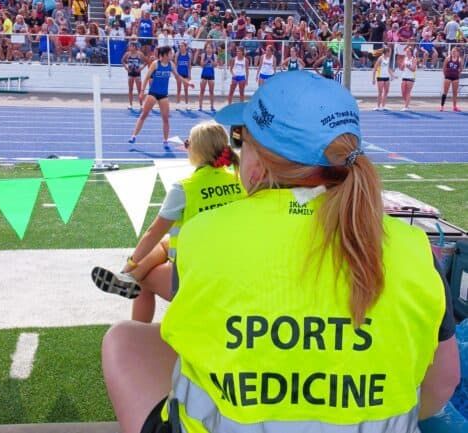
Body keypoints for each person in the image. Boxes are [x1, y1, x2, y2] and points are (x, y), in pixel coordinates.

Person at [102, 71, 460, 433]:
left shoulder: (203, 236)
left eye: (242, 141)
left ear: (259, 163)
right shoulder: (414, 249)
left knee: (125, 339)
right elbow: (442, 384)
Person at [92, 121, 245, 322]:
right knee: (165, 243)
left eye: (188, 142)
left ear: (196, 149)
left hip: (197, 278)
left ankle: (136, 322)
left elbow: (152, 233)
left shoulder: (185, 188)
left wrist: (131, 263)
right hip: (235, 270)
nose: (186, 145)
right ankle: (128, 278)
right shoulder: (240, 180)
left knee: (144, 281)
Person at [128, 46, 194, 148]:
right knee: (144, 115)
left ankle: (165, 140)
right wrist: (142, 91)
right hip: (153, 93)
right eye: (170, 53)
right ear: (164, 55)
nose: (172, 55)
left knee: (166, 119)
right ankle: (134, 136)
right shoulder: (155, 64)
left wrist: (188, 83)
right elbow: (146, 78)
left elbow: (178, 77)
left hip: (163, 95)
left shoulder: (171, 65)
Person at [122, 41, 146, 111]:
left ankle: (141, 105)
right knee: (130, 89)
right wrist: (126, 68)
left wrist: (141, 68)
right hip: (130, 73)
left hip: (137, 74)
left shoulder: (140, 54)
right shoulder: (127, 54)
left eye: (131, 46)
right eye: (129, 46)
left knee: (139, 90)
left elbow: (146, 62)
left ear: (134, 47)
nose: (129, 47)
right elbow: (122, 61)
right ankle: (130, 104)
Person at [440, 47, 463, 112]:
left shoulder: (459, 59)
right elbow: (444, 68)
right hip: (448, 77)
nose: (453, 53)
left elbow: (461, 69)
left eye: (455, 51)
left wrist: (458, 73)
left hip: (455, 78)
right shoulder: (448, 58)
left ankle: (454, 106)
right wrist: (445, 75)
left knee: (455, 93)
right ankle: (442, 106)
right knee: (445, 92)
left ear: (458, 53)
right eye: (452, 51)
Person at [198, 42, 217, 112]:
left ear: (212, 49)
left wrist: (211, 60)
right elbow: (201, 65)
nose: (208, 49)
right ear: (205, 49)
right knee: (202, 91)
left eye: (210, 48)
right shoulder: (203, 55)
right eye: (207, 48)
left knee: (211, 91)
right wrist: (206, 61)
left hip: (211, 75)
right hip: (204, 75)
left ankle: (212, 106)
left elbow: (215, 65)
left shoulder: (214, 56)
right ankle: (200, 106)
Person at [399, 47, 417, 111]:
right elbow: (401, 68)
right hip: (404, 76)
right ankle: (407, 104)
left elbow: (414, 69)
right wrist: (401, 65)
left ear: (411, 52)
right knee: (403, 92)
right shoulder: (405, 58)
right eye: (406, 51)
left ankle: (406, 106)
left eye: (408, 51)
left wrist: (408, 66)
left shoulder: (414, 59)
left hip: (410, 77)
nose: (407, 52)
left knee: (408, 92)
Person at [175, 41, 192, 110]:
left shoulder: (188, 54)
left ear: (185, 47)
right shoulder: (177, 54)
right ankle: (178, 104)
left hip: (185, 74)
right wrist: (176, 74)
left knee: (186, 90)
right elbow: (176, 65)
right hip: (179, 74)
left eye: (182, 46)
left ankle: (186, 104)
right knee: (178, 89)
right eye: (180, 46)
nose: (181, 47)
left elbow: (189, 66)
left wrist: (189, 75)